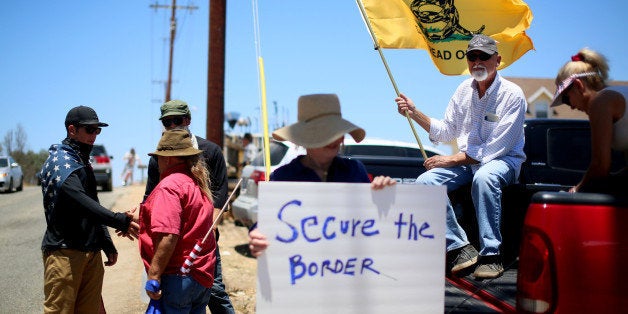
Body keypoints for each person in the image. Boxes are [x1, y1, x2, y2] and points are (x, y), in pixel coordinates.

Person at [395, 34, 527, 279]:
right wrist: (414, 113)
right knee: (425, 183)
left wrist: (450, 159)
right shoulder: (462, 90)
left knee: (485, 176)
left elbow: (494, 149)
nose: (477, 62)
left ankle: (491, 255)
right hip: (468, 162)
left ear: (497, 60)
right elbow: (446, 130)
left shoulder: (513, 94)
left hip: (504, 160)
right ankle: (460, 248)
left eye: (484, 57)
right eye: (472, 56)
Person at [248, 93, 397, 257]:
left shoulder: (355, 170)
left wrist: (384, 196)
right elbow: (265, 226)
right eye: (325, 132)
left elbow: (374, 221)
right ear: (304, 138)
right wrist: (257, 238)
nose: (335, 138)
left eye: (337, 131)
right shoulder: (282, 177)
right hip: (302, 274)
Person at [40, 105, 139, 313]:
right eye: (89, 130)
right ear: (72, 130)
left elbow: (92, 205)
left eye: (97, 130)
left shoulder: (82, 161)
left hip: (90, 254)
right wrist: (120, 220)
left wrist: (105, 242)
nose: (94, 136)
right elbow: (80, 201)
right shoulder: (60, 162)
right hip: (64, 254)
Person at [143, 99, 234, 313]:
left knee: (217, 291)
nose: (173, 125)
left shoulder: (210, 151)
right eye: (167, 122)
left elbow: (219, 196)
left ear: (188, 120)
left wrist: (205, 229)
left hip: (202, 244)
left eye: (177, 120)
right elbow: (150, 200)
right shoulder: (160, 164)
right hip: (181, 258)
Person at [139, 129, 217, 313]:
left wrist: (154, 275)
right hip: (201, 276)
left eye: (158, 157)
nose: (157, 162)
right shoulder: (195, 184)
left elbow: (168, 235)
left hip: (178, 278)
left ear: (168, 158)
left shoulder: (169, 186)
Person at [550, 48, 628, 195]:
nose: (571, 107)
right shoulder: (615, 95)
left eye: (566, 99)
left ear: (579, 85)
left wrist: (575, 191)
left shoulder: (601, 102)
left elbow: (600, 165)